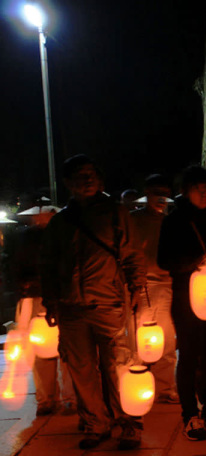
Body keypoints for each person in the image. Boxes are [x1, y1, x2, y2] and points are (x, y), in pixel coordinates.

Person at [41, 154, 146, 450]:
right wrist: (50, 302)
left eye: (91, 174)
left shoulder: (115, 213)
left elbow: (132, 253)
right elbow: (47, 264)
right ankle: (95, 422)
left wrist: (137, 286)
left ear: (100, 180)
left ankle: (129, 423)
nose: (86, 179)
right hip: (70, 306)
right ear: (67, 183)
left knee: (118, 366)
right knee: (81, 368)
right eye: (79, 174)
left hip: (108, 302)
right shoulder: (60, 222)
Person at [157, 166, 206, 441]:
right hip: (184, 295)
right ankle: (190, 414)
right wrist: (194, 263)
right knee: (189, 354)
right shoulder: (175, 220)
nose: (204, 194)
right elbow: (163, 260)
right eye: (198, 189)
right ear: (185, 191)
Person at [7, 206, 76, 417]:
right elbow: (13, 265)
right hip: (35, 296)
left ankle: (69, 398)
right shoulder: (25, 238)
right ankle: (47, 398)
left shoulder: (66, 234)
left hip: (62, 296)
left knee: (67, 350)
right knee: (40, 350)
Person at [129, 174, 179, 404]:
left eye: (165, 193)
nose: (161, 197)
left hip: (168, 284)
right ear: (146, 194)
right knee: (141, 339)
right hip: (142, 285)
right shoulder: (133, 221)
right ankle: (136, 383)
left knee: (167, 339)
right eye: (156, 192)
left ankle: (165, 387)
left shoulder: (173, 220)